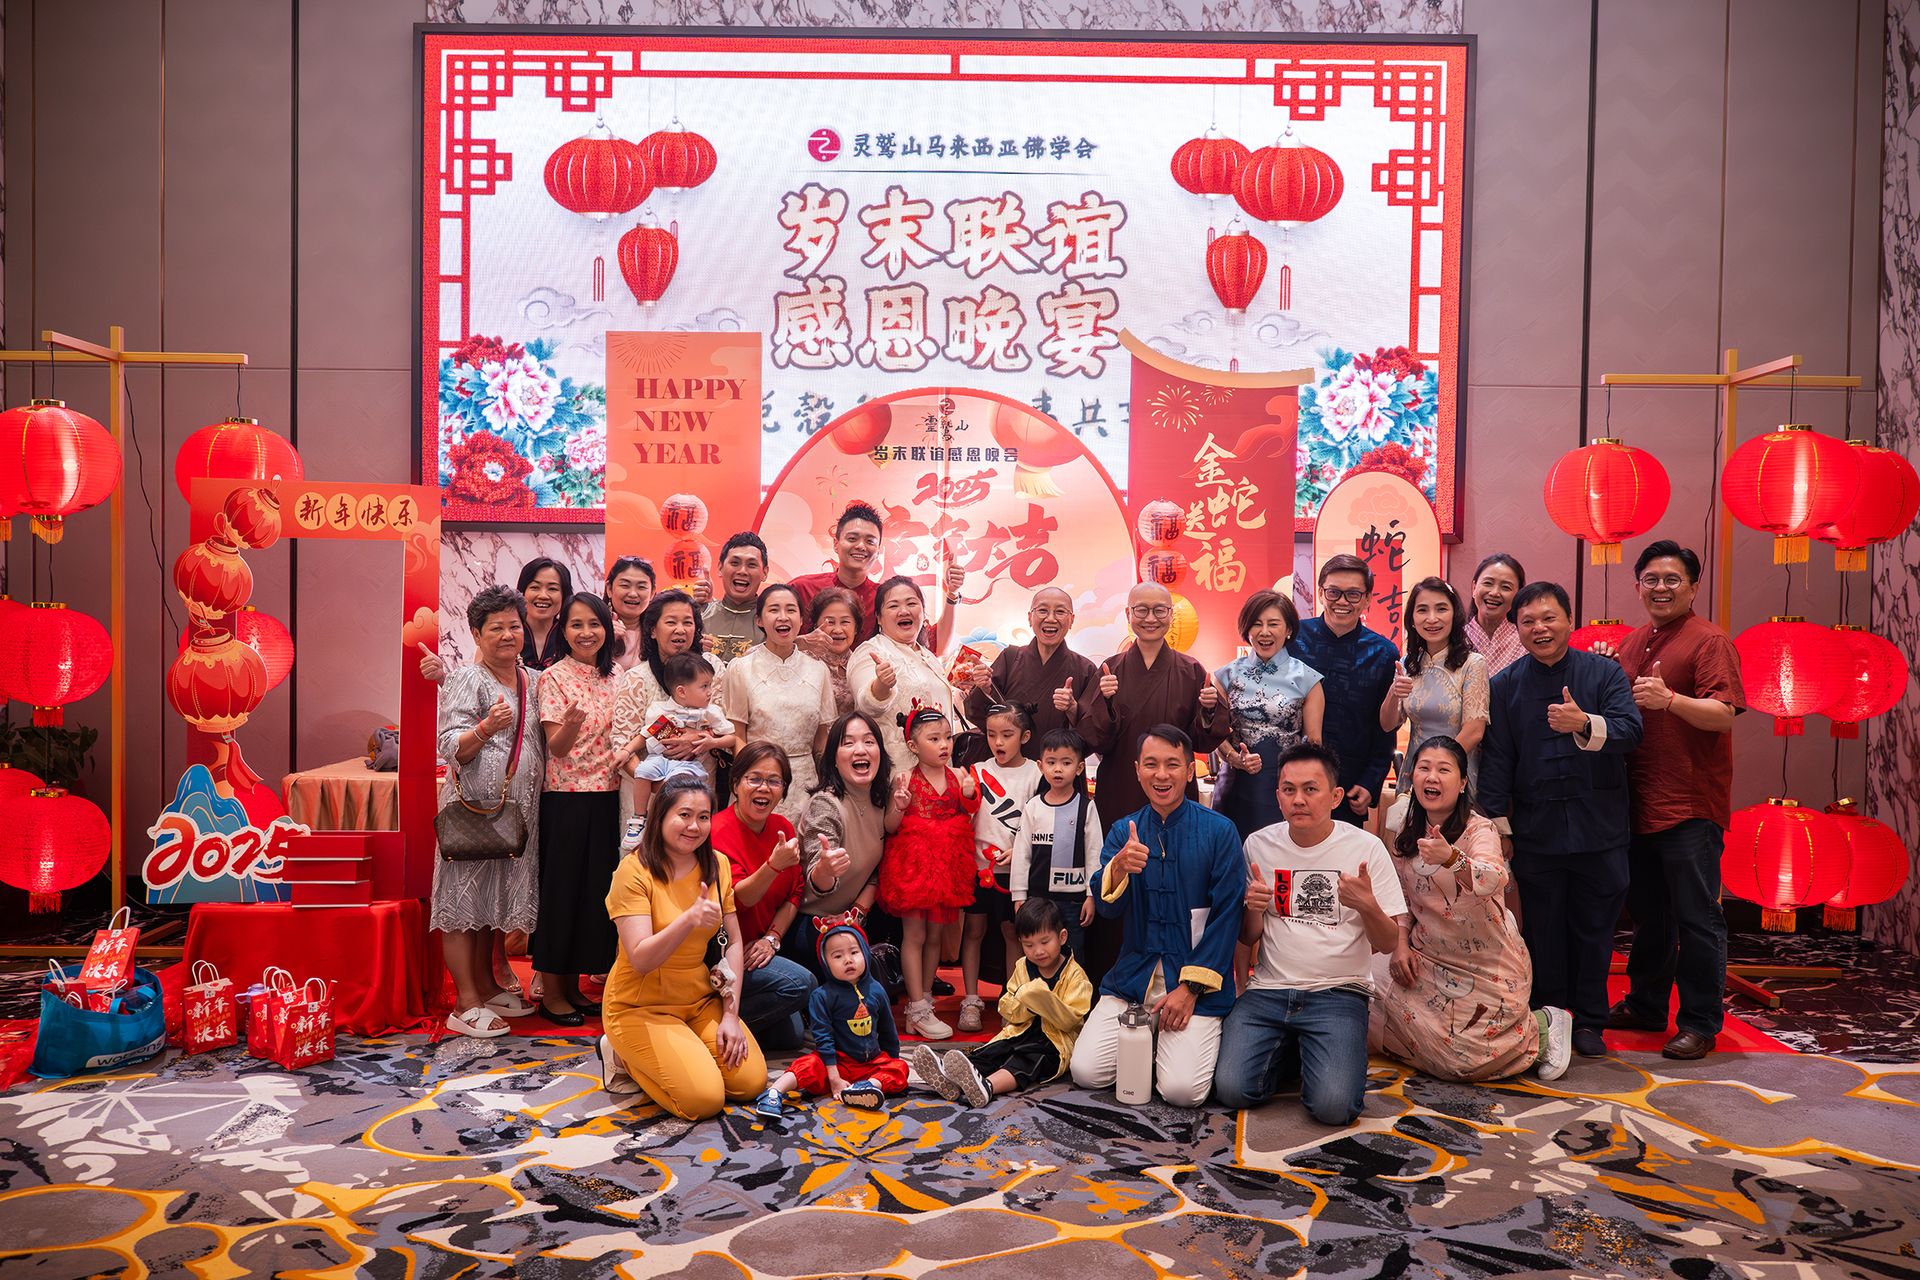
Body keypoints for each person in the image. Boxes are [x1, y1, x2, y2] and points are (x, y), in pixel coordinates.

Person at [1478, 581, 1643, 1058]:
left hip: (1600, 828)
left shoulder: (1603, 673)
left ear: (1570, 621)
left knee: (1595, 929)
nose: (1540, 628)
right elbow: (1497, 762)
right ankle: (1552, 1018)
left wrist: (1585, 723)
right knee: (1543, 930)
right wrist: (1500, 829)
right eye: (1528, 621)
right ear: (1517, 628)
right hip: (1537, 831)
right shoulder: (1504, 685)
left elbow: (1631, 730)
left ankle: (1590, 1020)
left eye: (1549, 618)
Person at [1601, 541, 1744, 1061]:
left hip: (1689, 804)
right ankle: (1646, 1004)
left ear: (1693, 586)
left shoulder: (1710, 641)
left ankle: (1701, 1022)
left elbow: (1724, 714)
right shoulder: (1633, 641)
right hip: (1638, 803)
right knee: (1650, 915)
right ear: (1638, 585)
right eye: (1651, 579)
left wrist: (1672, 700)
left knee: (1697, 918)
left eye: (1672, 579)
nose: (1660, 588)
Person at [1216, 741, 1408, 1122]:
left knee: (1334, 1107)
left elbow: (1388, 943)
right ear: (1278, 796)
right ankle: (1296, 1049)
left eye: (1310, 789)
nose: (1298, 800)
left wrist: (1367, 904)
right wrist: (1253, 910)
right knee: (1232, 1089)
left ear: (1335, 796)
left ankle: (1309, 1048)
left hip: (1338, 993)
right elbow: (1248, 937)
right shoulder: (1258, 845)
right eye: (1289, 790)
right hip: (1269, 991)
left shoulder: (1366, 848)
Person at [1376, 736, 1573, 1083]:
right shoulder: (1404, 830)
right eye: (1424, 768)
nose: (1431, 777)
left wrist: (1451, 858)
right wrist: (1401, 944)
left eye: (1443, 770)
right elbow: (1402, 897)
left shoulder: (1479, 829)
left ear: (1463, 782)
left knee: (1463, 1062)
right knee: (1373, 1005)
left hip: (1487, 961)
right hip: (1429, 957)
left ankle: (1543, 1027)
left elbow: (1494, 878)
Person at [1069, 726, 1244, 1109]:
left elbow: (1227, 916)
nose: (1161, 775)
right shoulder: (1124, 832)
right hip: (1134, 980)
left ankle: (1169, 1046)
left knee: (1182, 1092)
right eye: (1151, 765)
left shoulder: (1220, 831)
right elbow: (1108, 909)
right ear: (1137, 770)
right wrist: (1118, 868)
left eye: (1172, 765)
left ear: (1189, 770)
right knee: (1085, 1072)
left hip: (1195, 983)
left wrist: (1190, 989)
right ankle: (1154, 1044)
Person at [599, 775, 767, 1120]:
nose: (694, 826)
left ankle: (683, 1050)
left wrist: (731, 1015)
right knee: (704, 1100)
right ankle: (619, 1054)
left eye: (703, 817)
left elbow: (734, 941)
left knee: (750, 1083)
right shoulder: (633, 871)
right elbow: (641, 959)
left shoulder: (716, 865)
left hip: (699, 999)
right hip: (640, 1005)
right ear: (660, 816)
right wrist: (689, 919)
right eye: (684, 815)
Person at [434, 584, 543, 1038]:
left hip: (518, 814)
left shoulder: (533, 679)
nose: (507, 635)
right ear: (477, 634)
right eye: (495, 628)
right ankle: (465, 1002)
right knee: (462, 903)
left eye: (513, 626)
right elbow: (449, 745)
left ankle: (484, 985)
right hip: (473, 811)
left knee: (489, 904)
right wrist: (484, 728)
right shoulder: (467, 678)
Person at [533, 592, 624, 1026]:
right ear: (563, 631)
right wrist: (569, 724)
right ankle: (552, 992)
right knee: (562, 893)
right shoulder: (553, 677)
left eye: (594, 624)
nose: (586, 633)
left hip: (609, 796)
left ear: (606, 628)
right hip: (566, 799)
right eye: (576, 625)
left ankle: (573, 988)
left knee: (592, 895)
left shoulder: (616, 675)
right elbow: (557, 748)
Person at [1075, 582, 1233, 831]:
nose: (1151, 618)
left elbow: (1202, 741)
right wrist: (1105, 702)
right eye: (1142, 610)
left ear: (1171, 615)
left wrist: (1209, 710)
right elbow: (1094, 739)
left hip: (1173, 787)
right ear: (1128, 614)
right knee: (1121, 850)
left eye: (1159, 610)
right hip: (1122, 786)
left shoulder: (1191, 670)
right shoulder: (1110, 670)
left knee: (1176, 851)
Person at [910, 897, 1093, 1107]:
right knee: (995, 1050)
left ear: (1062, 937)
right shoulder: (1023, 966)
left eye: (1045, 942)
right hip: (1021, 1031)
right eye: (1029, 945)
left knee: (1024, 1060)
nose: (1038, 951)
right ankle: (949, 1077)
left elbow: (1070, 1022)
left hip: (1054, 1043)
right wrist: (1027, 1001)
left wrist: (1042, 998)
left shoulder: (1076, 976)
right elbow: (1007, 1008)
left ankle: (988, 1086)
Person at [880, 707, 979, 1039]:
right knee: (915, 936)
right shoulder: (905, 779)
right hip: (913, 867)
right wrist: (899, 805)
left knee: (935, 936)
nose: (944, 745)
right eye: (934, 739)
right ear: (913, 745)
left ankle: (924, 1003)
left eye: (947, 737)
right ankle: (916, 1004)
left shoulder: (957, 777)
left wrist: (969, 795)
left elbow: (968, 814)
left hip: (945, 868)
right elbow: (890, 826)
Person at [710, 742, 818, 1049]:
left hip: (759, 950)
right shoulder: (717, 831)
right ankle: (707, 1026)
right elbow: (738, 901)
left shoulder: (782, 827)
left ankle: (725, 1020)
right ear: (735, 784)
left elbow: (795, 893)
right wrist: (773, 866)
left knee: (790, 1037)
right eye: (754, 778)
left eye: (774, 781)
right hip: (723, 953)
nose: (764, 788)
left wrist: (772, 938)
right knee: (801, 983)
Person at [1288, 554, 1399, 827]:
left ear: (1367, 598)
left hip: (1349, 785)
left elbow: (1385, 729)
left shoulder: (1384, 653)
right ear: (1320, 592)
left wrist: (1371, 781)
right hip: (1292, 780)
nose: (1342, 602)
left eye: (1353, 594)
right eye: (1334, 592)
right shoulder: (1293, 639)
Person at [755, 922, 905, 1117]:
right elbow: (823, 1038)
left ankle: (866, 1087)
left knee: (900, 1068)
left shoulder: (876, 990)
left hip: (870, 1065)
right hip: (835, 1063)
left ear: (865, 953)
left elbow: (888, 1031)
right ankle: (774, 1093)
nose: (848, 960)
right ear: (825, 963)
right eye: (838, 956)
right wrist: (834, 1077)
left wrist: (891, 1062)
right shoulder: (822, 996)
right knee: (808, 1065)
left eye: (854, 952)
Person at [1212, 589, 1324, 837]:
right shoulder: (1225, 675)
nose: (1264, 632)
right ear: (1246, 629)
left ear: (1288, 629)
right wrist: (1234, 758)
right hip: (1234, 783)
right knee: (1230, 850)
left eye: (1273, 624)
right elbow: (1215, 733)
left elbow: (1314, 742)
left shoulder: (1307, 678)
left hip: (1286, 788)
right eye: (1256, 624)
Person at [611, 589, 728, 828]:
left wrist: (698, 738)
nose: (680, 629)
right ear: (653, 630)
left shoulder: (712, 668)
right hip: (647, 797)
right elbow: (623, 745)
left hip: (698, 795)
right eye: (671, 622)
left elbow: (728, 725)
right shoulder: (637, 678)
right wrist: (663, 788)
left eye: (688, 622)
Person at [721, 584, 837, 823]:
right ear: (759, 620)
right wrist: (748, 781)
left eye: (791, 610)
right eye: (774, 610)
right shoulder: (740, 668)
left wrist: (829, 783)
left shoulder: (819, 670)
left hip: (805, 784)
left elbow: (821, 740)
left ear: (801, 620)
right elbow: (737, 735)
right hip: (757, 782)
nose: (783, 617)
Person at [793, 712, 898, 971]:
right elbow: (817, 880)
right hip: (812, 922)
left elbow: (877, 872)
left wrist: (856, 913)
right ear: (834, 759)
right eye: (848, 743)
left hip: (852, 917)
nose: (860, 750)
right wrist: (825, 869)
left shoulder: (880, 800)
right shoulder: (826, 804)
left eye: (869, 741)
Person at [962, 704, 1041, 1030]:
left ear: (1024, 736)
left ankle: (1013, 999)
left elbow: (1039, 819)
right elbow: (966, 815)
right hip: (979, 867)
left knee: (1013, 933)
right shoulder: (977, 770)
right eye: (992, 734)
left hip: (1016, 870)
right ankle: (970, 1000)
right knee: (973, 931)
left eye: (1007, 735)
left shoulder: (1036, 773)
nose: (998, 742)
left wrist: (1021, 851)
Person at [791, 500, 961, 647]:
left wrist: (952, 594)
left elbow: (934, 644)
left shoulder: (885, 598)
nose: (860, 546)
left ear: (878, 549)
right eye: (852, 538)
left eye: (870, 541)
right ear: (836, 544)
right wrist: (800, 643)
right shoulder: (801, 589)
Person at [961, 587, 1099, 758]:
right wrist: (984, 689)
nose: (1051, 618)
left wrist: (1072, 709)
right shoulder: (1010, 658)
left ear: (1071, 620)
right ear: (1029, 618)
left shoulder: (1086, 669)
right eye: (1042, 610)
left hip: (1057, 769)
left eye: (1060, 612)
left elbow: (1095, 734)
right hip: (1009, 767)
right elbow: (978, 715)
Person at [1379, 577, 1490, 782]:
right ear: (1412, 619)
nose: (1432, 619)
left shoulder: (1473, 663)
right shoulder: (1407, 663)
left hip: (1454, 772)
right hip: (1414, 772)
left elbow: (1474, 731)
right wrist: (1394, 692)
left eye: (1441, 609)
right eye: (1422, 610)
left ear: (1455, 614)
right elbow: (1387, 725)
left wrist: (1435, 770)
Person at [1008, 728, 1101, 959]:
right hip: (1037, 900)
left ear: (1079, 768)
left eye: (1066, 762)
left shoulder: (1086, 807)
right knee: (1038, 955)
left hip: (1074, 901)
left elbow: (1094, 854)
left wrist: (1092, 895)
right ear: (1040, 766)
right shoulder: (1033, 807)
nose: (1058, 769)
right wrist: (1019, 896)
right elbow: (1021, 855)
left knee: (1073, 956)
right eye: (1051, 762)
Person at [850, 576, 954, 773]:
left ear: (922, 612)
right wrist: (881, 686)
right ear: (879, 618)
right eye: (893, 606)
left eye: (911, 603)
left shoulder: (928, 656)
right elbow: (866, 705)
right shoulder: (870, 651)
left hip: (940, 771)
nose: (904, 611)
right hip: (897, 772)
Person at [626, 652, 738, 817]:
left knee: (679, 787)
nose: (710, 692)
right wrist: (626, 750)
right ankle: (639, 816)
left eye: (710, 685)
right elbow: (646, 734)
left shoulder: (711, 712)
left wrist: (712, 742)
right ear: (682, 692)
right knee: (642, 771)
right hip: (658, 760)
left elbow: (731, 738)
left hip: (688, 765)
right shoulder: (660, 710)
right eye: (704, 686)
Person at [703, 532, 769, 663]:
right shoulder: (698, 616)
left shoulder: (771, 623)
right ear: (720, 568)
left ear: (765, 573)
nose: (742, 571)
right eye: (735, 563)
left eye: (751, 565)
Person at [1464, 553, 1527, 675]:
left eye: (1506, 587)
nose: (1494, 593)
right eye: (1488, 583)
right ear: (1474, 588)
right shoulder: (1454, 637)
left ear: (1518, 595)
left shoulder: (1525, 640)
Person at [806, 587, 863, 717]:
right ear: (816, 626)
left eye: (845, 622)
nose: (837, 630)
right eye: (830, 622)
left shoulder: (862, 662)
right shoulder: (803, 661)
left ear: (856, 628)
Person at [606, 556, 657, 673]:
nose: (633, 594)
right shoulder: (594, 628)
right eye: (625, 585)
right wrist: (605, 639)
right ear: (609, 589)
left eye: (641, 587)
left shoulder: (657, 632)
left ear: (652, 593)